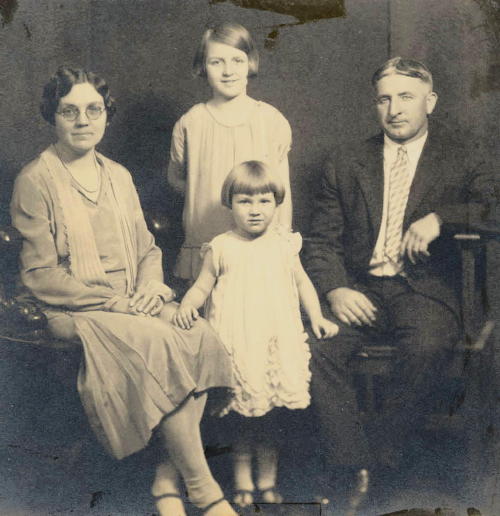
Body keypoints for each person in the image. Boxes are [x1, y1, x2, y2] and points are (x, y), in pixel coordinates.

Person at [10, 67, 238, 516]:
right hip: (71, 308)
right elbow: (40, 275)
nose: (83, 120)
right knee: (159, 341)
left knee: (197, 334)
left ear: (106, 115)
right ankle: (204, 490)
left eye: (93, 110)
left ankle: (166, 479)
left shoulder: (117, 175)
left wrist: (152, 286)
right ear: (52, 117)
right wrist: (114, 302)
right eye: (69, 111)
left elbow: (147, 248)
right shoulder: (35, 180)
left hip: (131, 298)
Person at [303, 57, 495, 498]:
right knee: (316, 347)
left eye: (406, 97)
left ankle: (381, 462)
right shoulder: (346, 162)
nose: (395, 109)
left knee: (426, 346)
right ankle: (351, 466)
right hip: (361, 288)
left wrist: (441, 218)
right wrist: (335, 289)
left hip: (424, 292)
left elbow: (494, 208)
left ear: (430, 101)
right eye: (384, 99)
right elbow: (321, 241)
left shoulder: (461, 157)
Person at [172, 161, 338, 508]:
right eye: (245, 201)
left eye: (264, 201)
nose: (255, 210)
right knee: (240, 420)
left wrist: (317, 317)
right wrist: (187, 305)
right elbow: (202, 286)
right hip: (238, 342)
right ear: (230, 203)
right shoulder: (221, 247)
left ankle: (267, 480)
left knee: (271, 418)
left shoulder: (284, 245)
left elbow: (303, 284)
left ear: (276, 203)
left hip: (274, 341)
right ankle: (243, 481)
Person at [167, 22, 292, 283]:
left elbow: (283, 193)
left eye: (237, 60)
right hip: (206, 246)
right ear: (203, 66)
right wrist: (207, 198)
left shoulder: (271, 121)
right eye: (216, 62)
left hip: (260, 248)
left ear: (250, 63)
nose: (228, 71)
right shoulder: (191, 123)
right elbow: (176, 178)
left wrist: (282, 244)